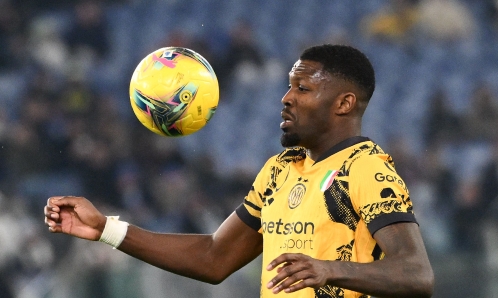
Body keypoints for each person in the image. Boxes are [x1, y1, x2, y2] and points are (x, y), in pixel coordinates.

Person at [44, 44, 434, 298]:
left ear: (344, 103)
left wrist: (328, 269)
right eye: (288, 86)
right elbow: (215, 257)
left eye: (302, 88)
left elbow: (416, 274)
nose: (286, 98)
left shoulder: (367, 168)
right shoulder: (280, 169)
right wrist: (105, 230)